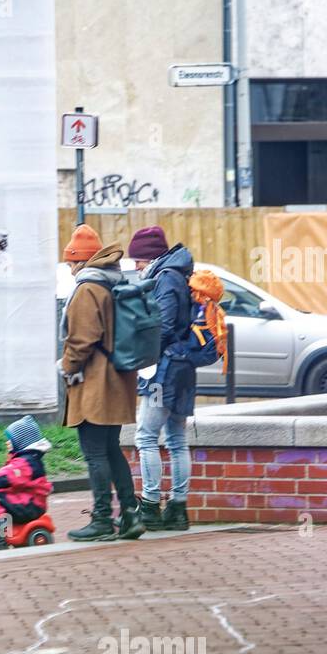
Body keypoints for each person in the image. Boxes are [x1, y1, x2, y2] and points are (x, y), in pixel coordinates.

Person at [59, 225, 145, 542]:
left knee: (95, 453)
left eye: (71, 263)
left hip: (95, 382)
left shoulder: (87, 290)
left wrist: (67, 367)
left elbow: (81, 339)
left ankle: (101, 520)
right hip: (117, 380)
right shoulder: (111, 283)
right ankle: (130, 515)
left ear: (81, 261)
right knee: (111, 450)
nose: (69, 270)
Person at [129, 227, 196, 531]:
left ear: (150, 255)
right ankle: (178, 509)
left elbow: (165, 325)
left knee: (145, 436)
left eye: (139, 260)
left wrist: (144, 355)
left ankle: (151, 506)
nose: (136, 266)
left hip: (162, 374)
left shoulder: (166, 277)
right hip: (182, 369)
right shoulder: (178, 273)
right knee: (176, 439)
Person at [0, 415, 53, 549]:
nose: (7, 443)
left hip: (30, 505)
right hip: (30, 501)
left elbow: (4, 477)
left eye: (10, 440)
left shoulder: (24, 463)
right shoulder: (28, 459)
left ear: (20, 441)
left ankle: (0, 541)